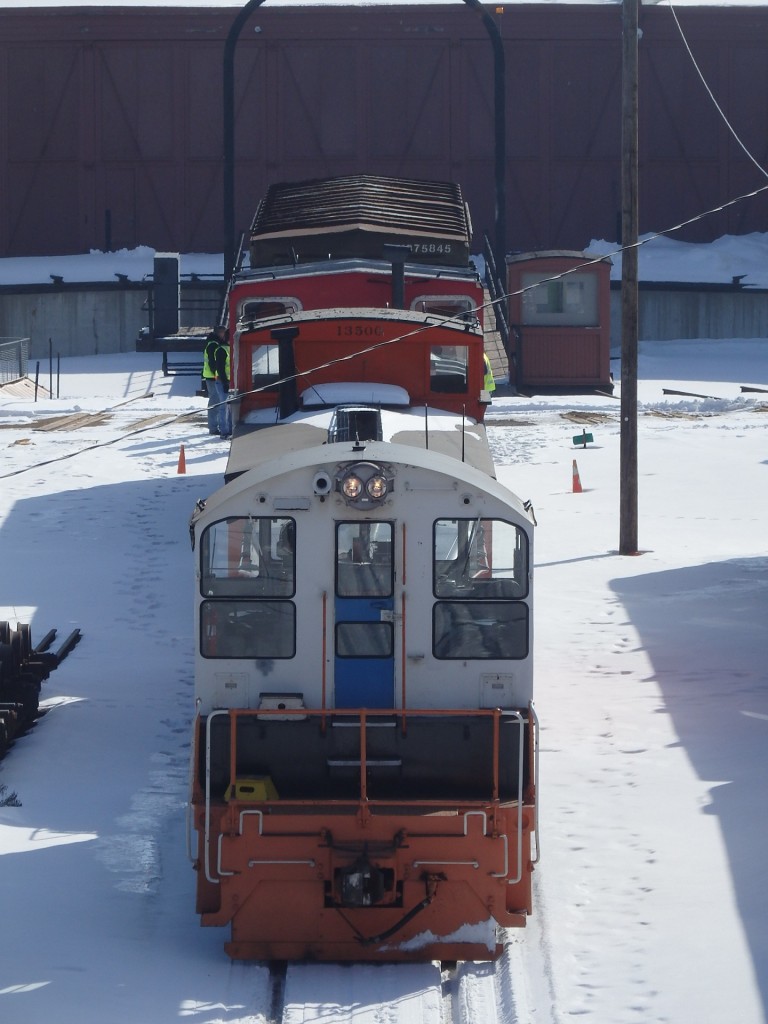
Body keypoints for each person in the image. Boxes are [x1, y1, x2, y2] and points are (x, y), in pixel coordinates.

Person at [203, 325, 226, 435]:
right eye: (222, 332)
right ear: (218, 333)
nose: (224, 335)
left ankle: (214, 426)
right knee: (215, 402)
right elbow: (212, 362)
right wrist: (216, 374)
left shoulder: (213, 343)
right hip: (212, 377)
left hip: (212, 376)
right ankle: (213, 427)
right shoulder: (213, 344)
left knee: (216, 401)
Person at [213, 327, 233, 440]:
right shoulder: (222, 350)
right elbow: (220, 368)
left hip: (228, 381)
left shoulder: (230, 348)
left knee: (229, 407)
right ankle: (224, 431)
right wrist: (225, 382)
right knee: (223, 407)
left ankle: (229, 429)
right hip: (222, 381)